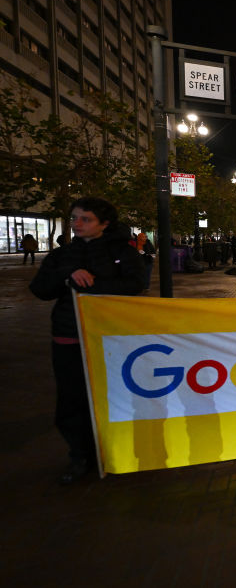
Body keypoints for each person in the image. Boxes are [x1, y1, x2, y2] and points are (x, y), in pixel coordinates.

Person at [30, 197, 145, 484]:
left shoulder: (123, 253)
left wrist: (91, 285)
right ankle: (80, 455)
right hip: (70, 336)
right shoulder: (62, 256)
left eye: (86, 219)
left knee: (116, 396)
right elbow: (40, 289)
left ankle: (118, 449)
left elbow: (134, 286)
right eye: (75, 218)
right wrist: (67, 276)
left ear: (104, 224)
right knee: (72, 398)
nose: (77, 224)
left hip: (111, 336)